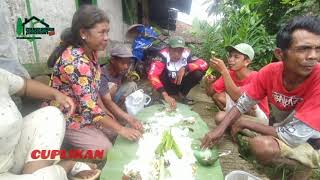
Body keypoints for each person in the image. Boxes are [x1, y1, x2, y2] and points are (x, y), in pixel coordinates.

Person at [201, 16, 320, 179]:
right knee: (224, 120)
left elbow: (292, 136)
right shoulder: (269, 72)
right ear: (280, 54)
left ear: (247, 61)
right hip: (276, 126)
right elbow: (242, 103)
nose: (313, 56)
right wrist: (218, 131)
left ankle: (302, 167)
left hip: (308, 141)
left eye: (317, 49)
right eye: (303, 49)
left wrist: (245, 122)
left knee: (262, 146)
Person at [47, 5, 141, 159]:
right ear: (83, 33)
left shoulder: (91, 53)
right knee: (106, 149)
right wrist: (121, 128)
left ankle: (95, 135)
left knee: (113, 131)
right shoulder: (76, 62)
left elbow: (94, 92)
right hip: (68, 116)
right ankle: (67, 156)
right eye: (101, 32)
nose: (106, 37)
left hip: (85, 110)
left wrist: (114, 117)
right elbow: (90, 109)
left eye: (107, 32)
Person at [0, 68, 100, 180]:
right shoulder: (73, 61)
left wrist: (56, 94)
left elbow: (25, 86)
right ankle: (65, 167)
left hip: (10, 151)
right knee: (101, 146)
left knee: (52, 114)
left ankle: (36, 172)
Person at [207, 43, 269, 125]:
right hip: (240, 109)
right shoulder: (230, 73)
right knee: (218, 97)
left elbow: (239, 98)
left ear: (247, 62)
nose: (231, 59)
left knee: (221, 117)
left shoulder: (256, 77)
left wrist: (224, 71)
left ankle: (234, 123)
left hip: (258, 116)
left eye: (236, 57)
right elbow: (210, 93)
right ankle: (236, 123)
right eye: (230, 56)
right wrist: (209, 83)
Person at [148, 36, 208, 109]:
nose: (177, 54)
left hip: (179, 84)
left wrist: (186, 68)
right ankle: (164, 95)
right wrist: (165, 94)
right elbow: (152, 75)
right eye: (174, 50)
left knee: (197, 73)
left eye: (180, 50)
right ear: (169, 48)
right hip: (166, 85)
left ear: (183, 50)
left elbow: (204, 63)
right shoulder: (162, 55)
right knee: (159, 74)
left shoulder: (187, 53)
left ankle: (181, 95)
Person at [99, 45, 143, 130]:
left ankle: (122, 111)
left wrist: (128, 77)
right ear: (112, 60)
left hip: (114, 98)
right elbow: (107, 101)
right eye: (123, 63)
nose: (126, 66)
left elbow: (124, 81)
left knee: (131, 85)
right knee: (112, 86)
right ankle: (113, 115)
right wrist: (128, 118)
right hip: (103, 104)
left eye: (128, 63)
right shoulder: (102, 75)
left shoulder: (121, 70)